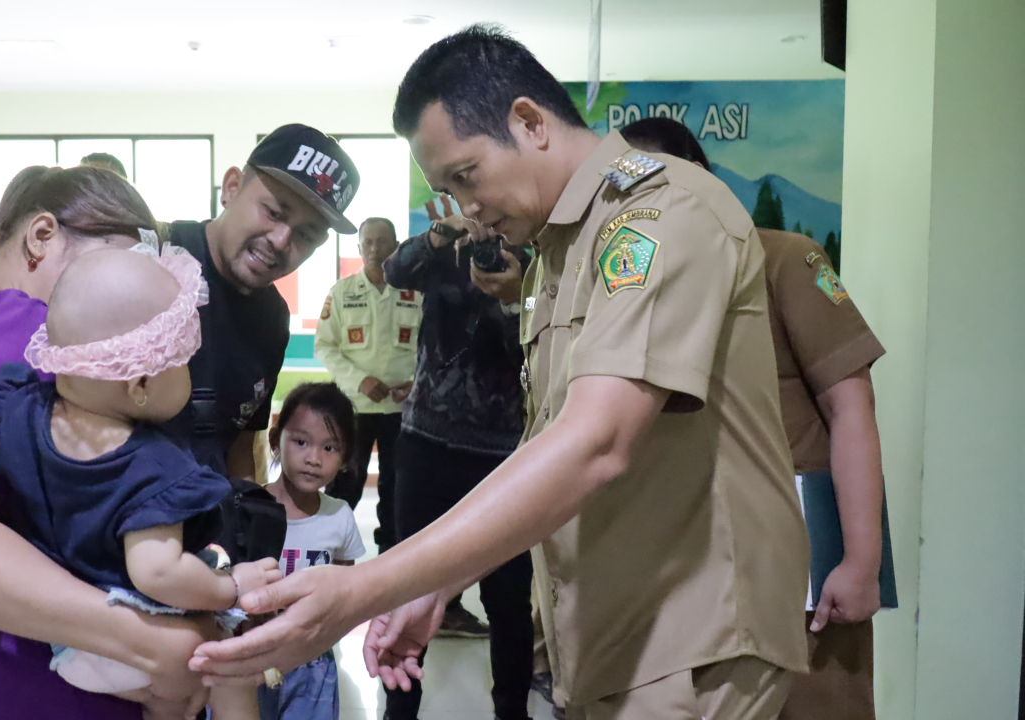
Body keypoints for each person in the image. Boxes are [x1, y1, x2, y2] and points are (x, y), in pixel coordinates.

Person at [189, 25, 810, 720]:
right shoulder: (560, 250)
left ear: (529, 122)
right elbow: (544, 443)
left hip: (688, 636)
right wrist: (435, 583)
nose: (467, 207)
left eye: (466, 176)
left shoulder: (658, 214)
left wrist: (366, 588)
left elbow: (596, 442)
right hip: (612, 631)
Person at [0, 165, 214, 720]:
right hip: (32, 694)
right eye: (116, 268)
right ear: (41, 236)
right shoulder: (23, 329)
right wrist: (154, 643)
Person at [0, 248, 286, 719]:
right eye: (183, 362)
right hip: (130, 628)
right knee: (232, 666)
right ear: (140, 384)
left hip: (68, 642)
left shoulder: (16, 413)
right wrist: (230, 587)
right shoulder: (155, 469)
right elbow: (157, 573)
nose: (189, 372)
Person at [623, 116, 887, 720]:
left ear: (697, 178)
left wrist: (861, 561)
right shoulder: (634, 286)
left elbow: (851, 407)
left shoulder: (785, 259)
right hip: (687, 559)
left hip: (798, 562)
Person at [378, 210, 534, 720]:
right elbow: (393, 271)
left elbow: (542, 341)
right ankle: (400, 711)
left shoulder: (531, 261)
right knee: (411, 584)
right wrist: (441, 233)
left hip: (503, 457)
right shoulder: (442, 251)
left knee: (508, 600)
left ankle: (512, 712)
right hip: (426, 443)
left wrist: (516, 296)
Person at [159, 124, 361, 481]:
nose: (281, 241)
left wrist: (247, 504)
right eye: (274, 212)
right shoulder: (152, 257)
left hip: (207, 508)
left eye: (306, 234)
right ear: (232, 187)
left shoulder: (272, 319)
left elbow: (241, 442)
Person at [260, 382, 367, 720]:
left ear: (345, 458)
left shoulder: (339, 516)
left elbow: (345, 588)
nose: (313, 459)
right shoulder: (250, 508)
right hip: (255, 653)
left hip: (313, 662)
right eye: (301, 442)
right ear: (275, 439)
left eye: (330, 447)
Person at [314, 217, 417, 551]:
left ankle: (393, 555)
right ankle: (327, 549)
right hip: (354, 408)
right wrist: (361, 381)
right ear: (359, 247)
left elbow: (432, 347)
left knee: (398, 487)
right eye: (368, 242)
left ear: (396, 246)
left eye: (382, 241)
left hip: (403, 409)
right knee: (346, 481)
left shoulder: (415, 293)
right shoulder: (341, 293)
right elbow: (324, 347)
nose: (375, 249)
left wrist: (416, 382)